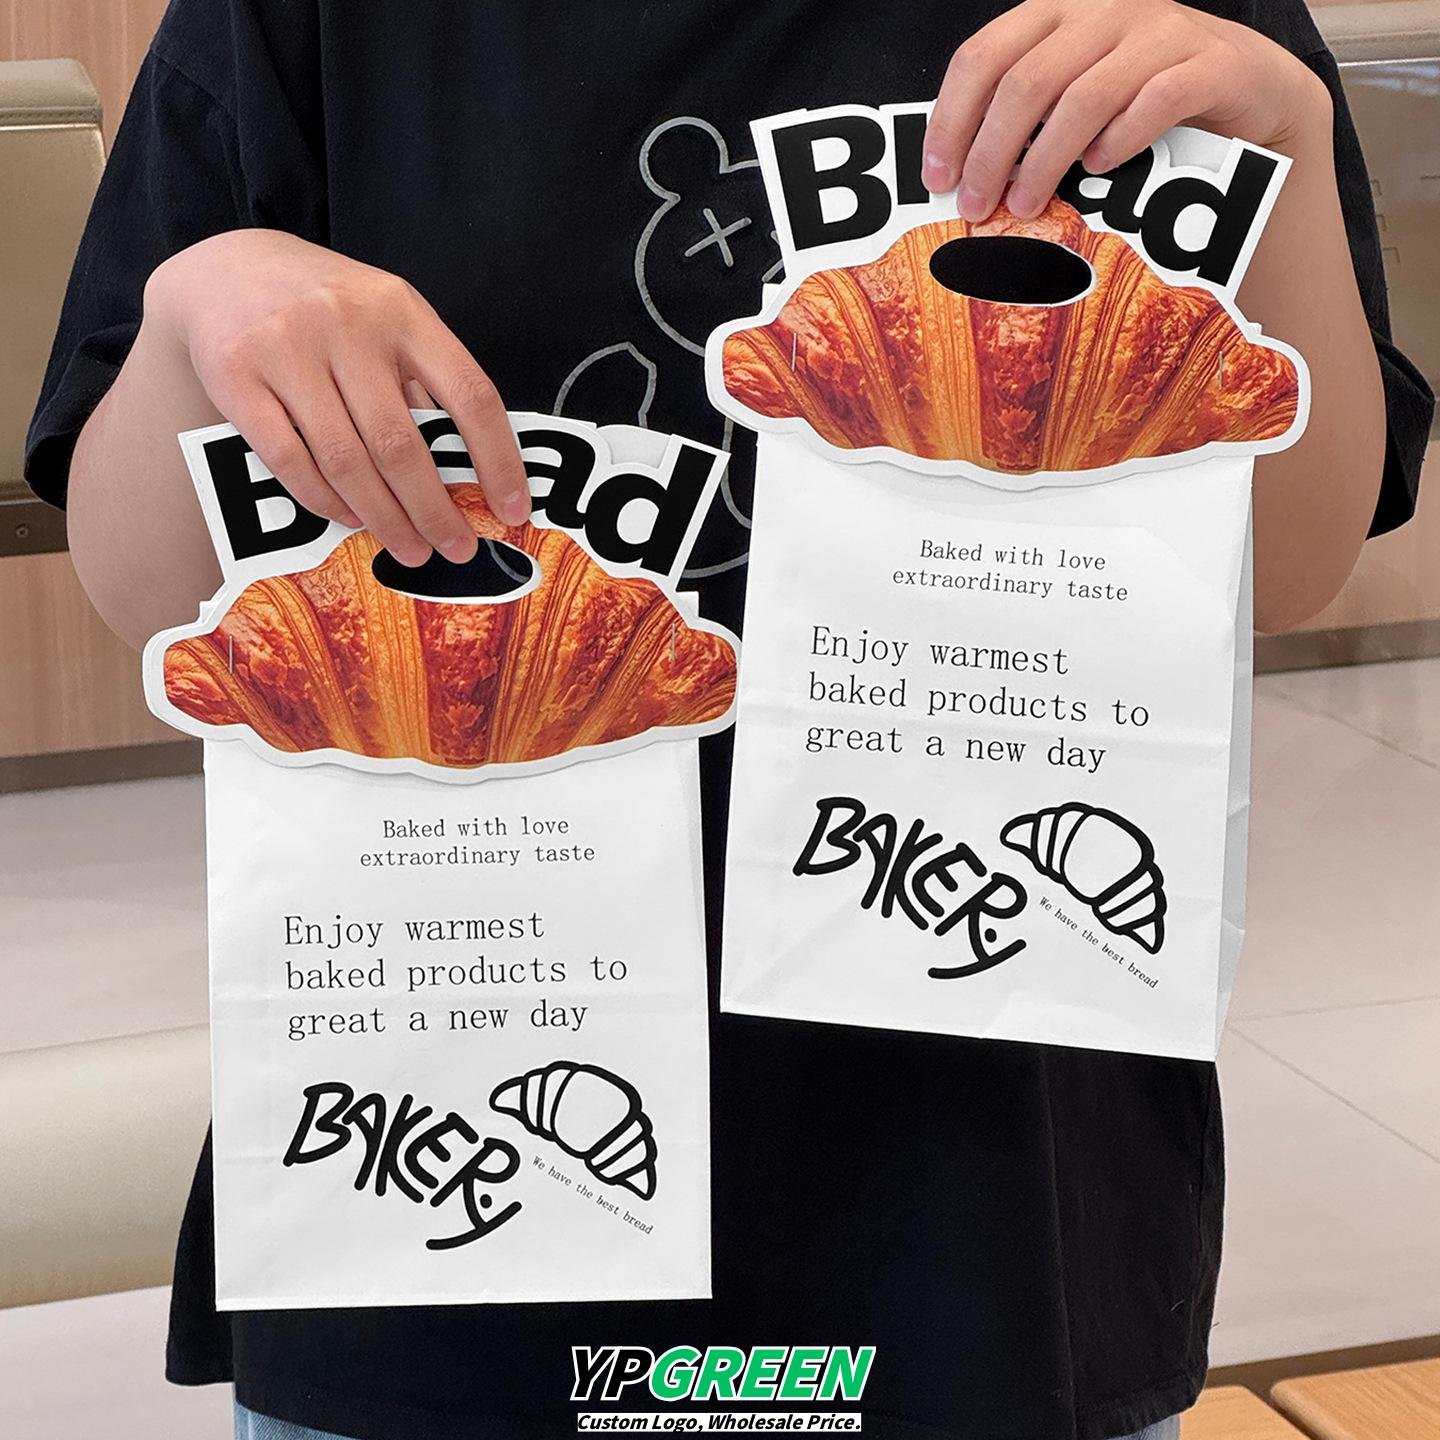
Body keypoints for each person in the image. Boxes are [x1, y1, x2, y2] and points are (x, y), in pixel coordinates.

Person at [24, 1, 1431, 1438]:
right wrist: (199, 313)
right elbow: (154, 598)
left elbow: (1288, 565)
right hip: (444, 1162)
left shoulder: (1174, 22)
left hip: (992, 1183)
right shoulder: (313, 24)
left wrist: (1286, 136)